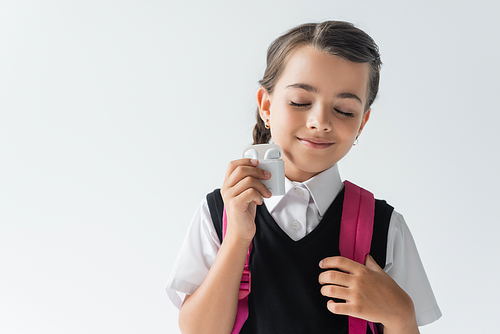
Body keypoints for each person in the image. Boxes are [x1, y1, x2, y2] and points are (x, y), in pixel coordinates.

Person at [166, 21, 441, 334]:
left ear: (362, 122)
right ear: (266, 106)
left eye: (344, 110)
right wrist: (237, 239)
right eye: (300, 102)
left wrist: (401, 315)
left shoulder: (385, 227)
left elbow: (404, 322)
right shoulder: (219, 212)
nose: (320, 121)